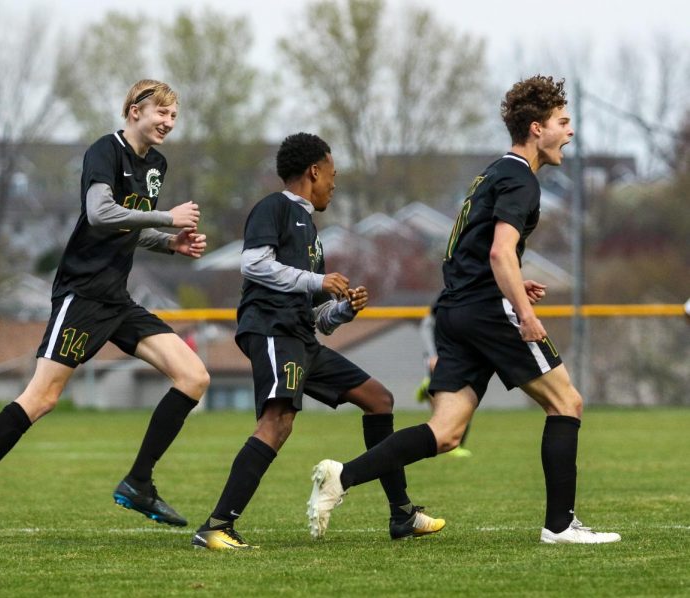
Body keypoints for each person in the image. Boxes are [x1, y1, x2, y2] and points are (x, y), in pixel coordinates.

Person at [307, 76, 621, 545]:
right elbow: (497, 253)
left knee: (447, 431)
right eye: (563, 122)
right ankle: (560, 526)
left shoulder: (491, 173)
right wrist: (522, 310)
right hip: (487, 311)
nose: (570, 132)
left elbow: (478, 252)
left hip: (455, 309)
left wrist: (512, 277)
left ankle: (341, 477)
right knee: (566, 403)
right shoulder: (522, 180)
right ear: (537, 128)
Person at [0, 79, 209, 545]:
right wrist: (167, 220)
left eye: (174, 116)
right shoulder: (106, 150)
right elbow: (101, 214)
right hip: (81, 296)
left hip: (116, 299)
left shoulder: (156, 165)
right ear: (133, 111)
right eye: (161, 112)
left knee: (194, 377)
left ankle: (138, 482)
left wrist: (170, 244)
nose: (167, 122)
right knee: (40, 399)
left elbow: (129, 229)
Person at [191, 133, 444, 550]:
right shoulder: (273, 207)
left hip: (299, 336)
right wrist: (318, 280)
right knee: (277, 422)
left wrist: (343, 309)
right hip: (271, 330)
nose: (334, 182)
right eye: (332, 174)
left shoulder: (310, 231)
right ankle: (216, 526)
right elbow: (254, 264)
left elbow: (316, 318)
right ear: (314, 171)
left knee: (378, 399)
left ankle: (402, 515)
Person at [414, 301, 472, 458]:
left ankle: (428, 387)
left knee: (464, 400)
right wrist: (432, 354)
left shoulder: (475, 299)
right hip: (442, 358)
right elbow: (426, 324)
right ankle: (453, 444)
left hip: (459, 357)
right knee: (452, 402)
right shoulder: (448, 298)